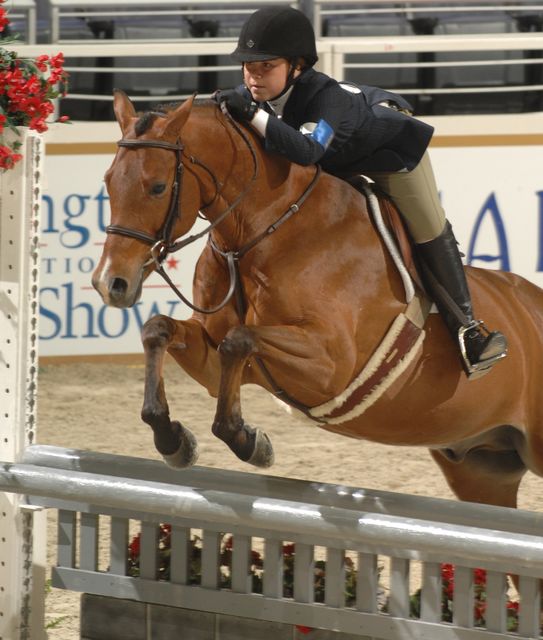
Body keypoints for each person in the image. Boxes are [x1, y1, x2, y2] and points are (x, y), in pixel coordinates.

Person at [214, 6, 507, 379]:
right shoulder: (255, 94)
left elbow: (309, 151)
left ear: (297, 66)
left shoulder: (325, 98)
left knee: (427, 227)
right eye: (248, 68)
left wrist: (253, 115)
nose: (254, 78)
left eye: (265, 67)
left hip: (390, 152)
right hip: (338, 161)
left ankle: (468, 330)